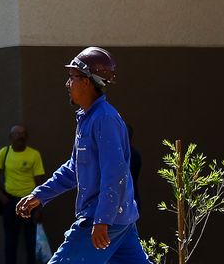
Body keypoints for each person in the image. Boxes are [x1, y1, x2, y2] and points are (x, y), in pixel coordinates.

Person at [15, 47, 144, 264]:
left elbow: (114, 175)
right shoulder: (87, 118)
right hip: (119, 222)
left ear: (86, 82)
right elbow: (74, 168)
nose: (68, 84)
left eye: (72, 77)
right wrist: (40, 195)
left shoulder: (104, 119)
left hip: (103, 221)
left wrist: (102, 220)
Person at [0, 125, 46, 264]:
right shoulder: (4, 153)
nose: (20, 136)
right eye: (16, 134)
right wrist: (2, 196)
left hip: (30, 203)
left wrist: (39, 208)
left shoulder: (34, 154)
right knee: (10, 243)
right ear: (10, 137)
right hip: (10, 202)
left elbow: (40, 182)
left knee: (31, 243)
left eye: (23, 134)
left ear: (27, 137)